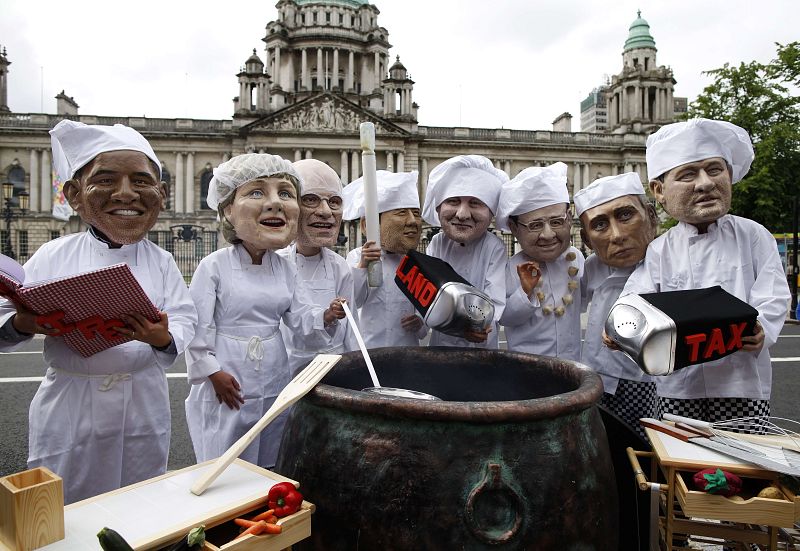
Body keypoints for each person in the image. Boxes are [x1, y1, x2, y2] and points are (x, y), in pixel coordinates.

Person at [0, 120, 197, 504]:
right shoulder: (54, 254)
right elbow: (7, 310)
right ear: (75, 195)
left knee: (139, 499)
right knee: (66, 504)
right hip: (72, 403)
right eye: (106, 180)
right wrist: (24, 322)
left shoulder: (162, 260)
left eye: (140, 181)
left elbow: (184, 315)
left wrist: (163, 336)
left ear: (161, 194)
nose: (126, 193)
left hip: (142, 402)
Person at [622, 118, 791, 423]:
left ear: (729, 176)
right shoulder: (660, 249)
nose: (705, 183)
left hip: (741, 383)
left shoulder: (753, 235)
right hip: (678, 387)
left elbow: (774, 294)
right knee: (682, 450)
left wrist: (762, 327)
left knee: (740, 451)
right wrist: (623, 324)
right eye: (688, 174)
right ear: (659, 190)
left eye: (714, 170)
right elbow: (636, 297)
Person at [185, 153, 344, 468]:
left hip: (274, 369)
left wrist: (326, 315)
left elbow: (299, 316)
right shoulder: (214, 266)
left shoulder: (284, 267)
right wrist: (212, 372)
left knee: (271, 440)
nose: (275, 204)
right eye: (257, 192)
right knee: (227, 448)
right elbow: (196, 327)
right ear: (228, 210)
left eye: (285, 193)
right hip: (228, 368)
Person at [574, 172, 659, 439]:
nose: (617, 235)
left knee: (645, 448)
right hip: (596, 376)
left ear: (651, 217)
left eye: (625, 216)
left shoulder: (669, 262)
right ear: (587, 240)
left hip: (647, 382)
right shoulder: (590, 267)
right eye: (600, 225)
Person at [495, 162, 584, 358]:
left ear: (569, 219)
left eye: (557, 222)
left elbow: (584, 301)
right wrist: (525, 292)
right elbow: (504, 318)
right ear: (514, 228)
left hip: (572, 365)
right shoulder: (511, 268)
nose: (548, 234)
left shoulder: (576, 258)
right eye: (535, 225)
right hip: (528, 369)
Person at [278, 159, 357, 375]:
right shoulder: (278, 263)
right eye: (311, 200)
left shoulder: (340, 266)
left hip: (334, 365)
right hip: (289, 366)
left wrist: (355, 369)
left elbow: (352, 329)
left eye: (334, 202)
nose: (325, 212)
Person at [422, 155, 508, 348]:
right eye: (453, 201)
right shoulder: (437, 242)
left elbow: (494, 298)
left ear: (491, 212)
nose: (462, 214)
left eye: (475, 203)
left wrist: (480, 325)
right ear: (438, 207)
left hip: (480, 348)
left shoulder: (494, 247)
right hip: (440, 346)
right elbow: (428, 291)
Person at [343, 170, 427, 347]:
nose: (412, 221)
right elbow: (352, 303)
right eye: (402, 213)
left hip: (407, 350)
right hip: (370, 348)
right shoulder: (356, 257)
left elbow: (427, 308)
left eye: (416, 213)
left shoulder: (418, 263)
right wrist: (362, 265)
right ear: (367, 225)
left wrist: (420, 322)